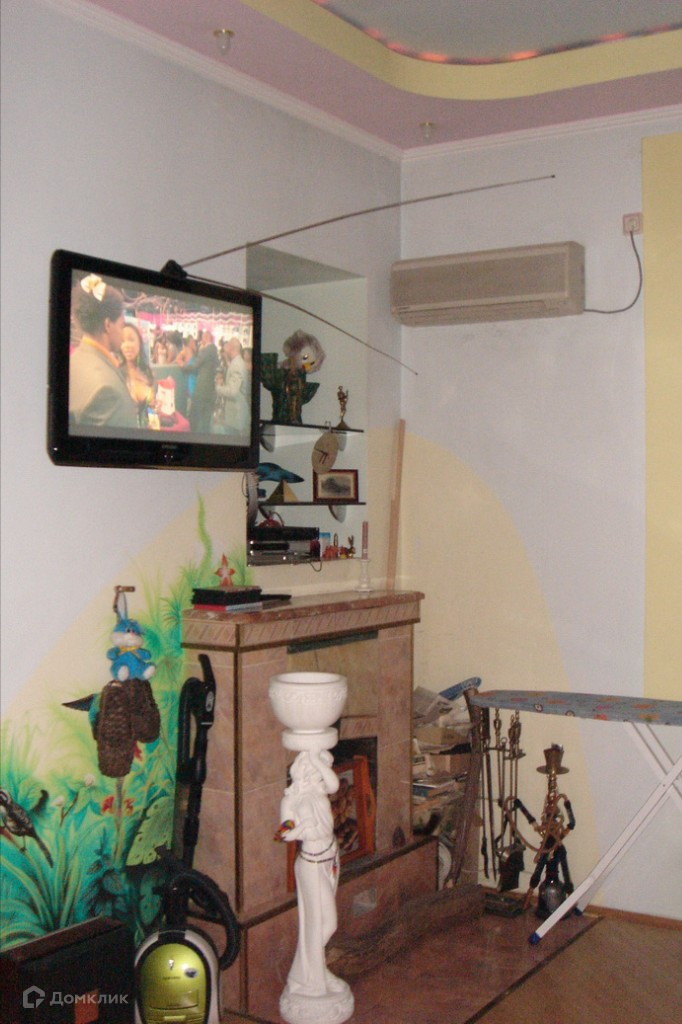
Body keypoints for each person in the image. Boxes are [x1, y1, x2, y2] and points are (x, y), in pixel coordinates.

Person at [275, 748, 349, 1001]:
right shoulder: (291, 800)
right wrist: (301, 829)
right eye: (315, 768)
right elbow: (282, 834)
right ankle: (306, 976)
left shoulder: (319, 791)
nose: (319, 774)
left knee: (320, 924)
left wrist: (317, 758)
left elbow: (333, 784)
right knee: (325, 924)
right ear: (303, 769)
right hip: (311, 864)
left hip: (330, 857)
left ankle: (315, 973)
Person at [69, 274, 138, 429]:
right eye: (121, 325)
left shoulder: (76, 360)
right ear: (108, 325)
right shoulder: (106, 390)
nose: (123, 335)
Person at [183, 329, 218, 434]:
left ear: (206, 338)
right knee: (206, 419)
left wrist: (183, 366)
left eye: (202, 338)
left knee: (194, 417)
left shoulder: (207, 350)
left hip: (202, 389)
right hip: (209, 390)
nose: (200, 341)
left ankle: (193, 438)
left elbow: (195, 365)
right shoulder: (214, 350)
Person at [120, 323, 155, 426]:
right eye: (122, 341)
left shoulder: (148, 373)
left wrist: (155, 407)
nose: (127, 345)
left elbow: (151, 408)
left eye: (131, 339)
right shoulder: (117, 373)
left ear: (139, 342)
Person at [214, 337, 250, 436]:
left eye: (227, 346)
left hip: (235, 416)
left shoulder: (237, 365)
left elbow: (233, 391)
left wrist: (218, 387)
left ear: (231, 348)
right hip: (235, 415)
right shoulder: (237, 362)